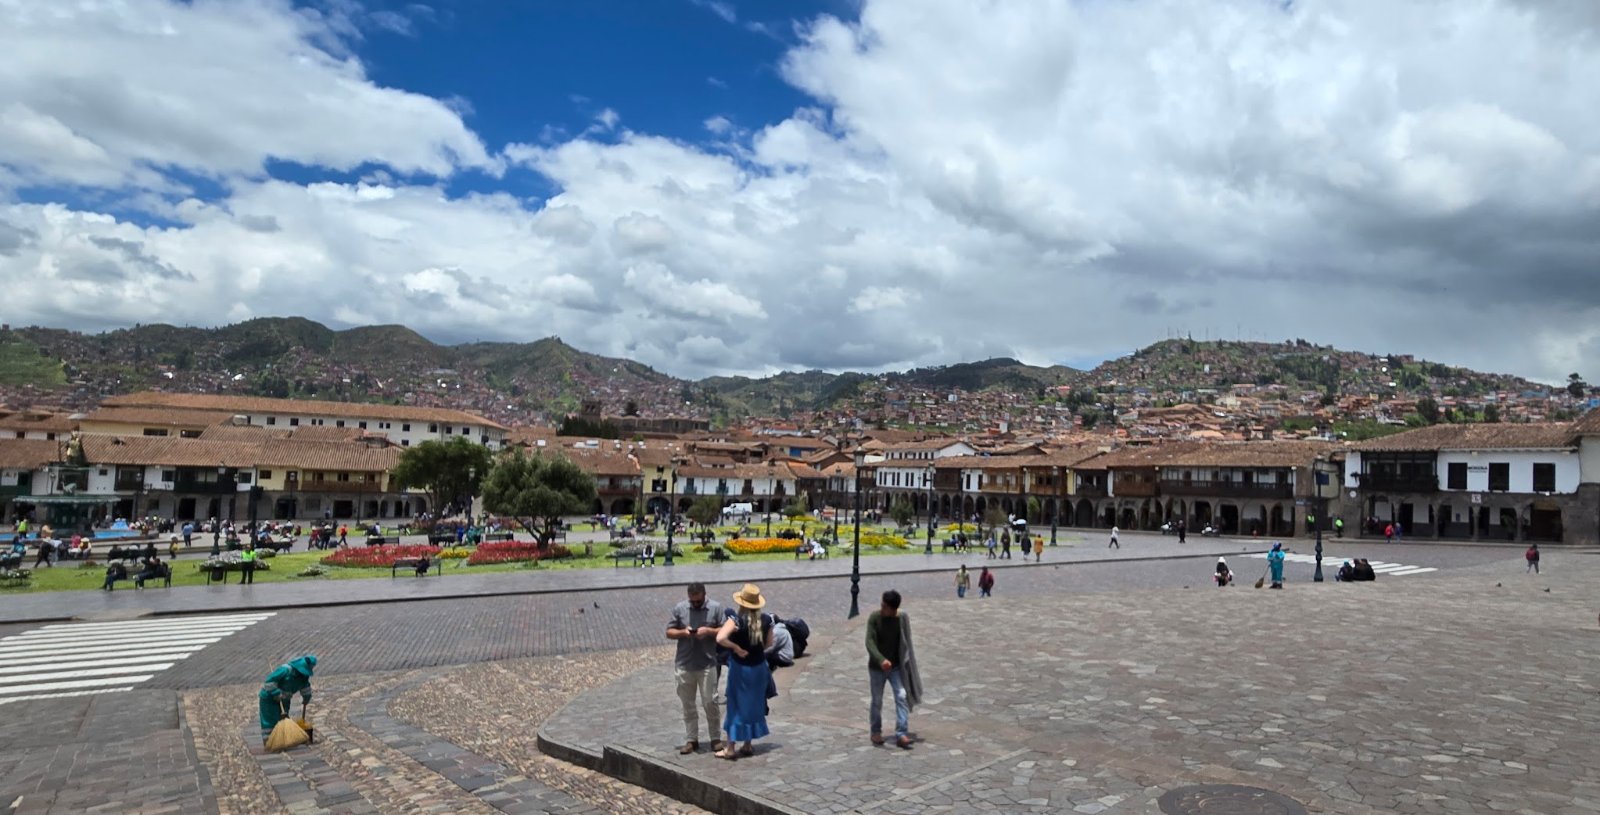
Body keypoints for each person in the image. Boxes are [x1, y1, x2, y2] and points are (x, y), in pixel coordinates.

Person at [714, 584, 773, 759]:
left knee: (736, 706)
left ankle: (730, 748)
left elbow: (720, 638)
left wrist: (736, 647)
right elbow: (770, 643)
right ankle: (747, 744)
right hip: (759, 668)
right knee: (753, 705)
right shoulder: (766, 620)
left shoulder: (736, 620)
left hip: (741, 669)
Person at [667, 583, 724, 755]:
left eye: (698, 602)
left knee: (710, 702)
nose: (695, 604)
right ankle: (692, 739)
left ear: (704, 595)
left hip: (707, 663)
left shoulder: (716, 608)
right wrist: (684, 633)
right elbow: (669, 632)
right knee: (688, 705)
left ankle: (715, 737)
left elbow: (724, 631)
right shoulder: (680, 608)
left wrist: (708, 631)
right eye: (693, 602)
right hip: (685, 663)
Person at [866, 589, 921, 749]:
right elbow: (869, 641)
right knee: (877, 700)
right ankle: (875, 731)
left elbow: (905, 641)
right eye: (882, 605)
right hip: (877, 668)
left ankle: (901, 733)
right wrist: (881, 659)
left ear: (893, 609)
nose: (882, 608)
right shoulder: (874, 618)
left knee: (901, 695)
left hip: (895, 667)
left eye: (885, 606)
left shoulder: (900, 619)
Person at [259, 655, 317, 743]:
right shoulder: (285, 670)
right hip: (269, 699)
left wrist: (306, 697)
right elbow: (269, 682)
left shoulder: (303, 676)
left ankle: (281, 740)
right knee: (270, 721)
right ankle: (270, 741)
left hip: (284, 700)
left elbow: (305, 686)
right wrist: (276, 693)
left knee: (283, 720)